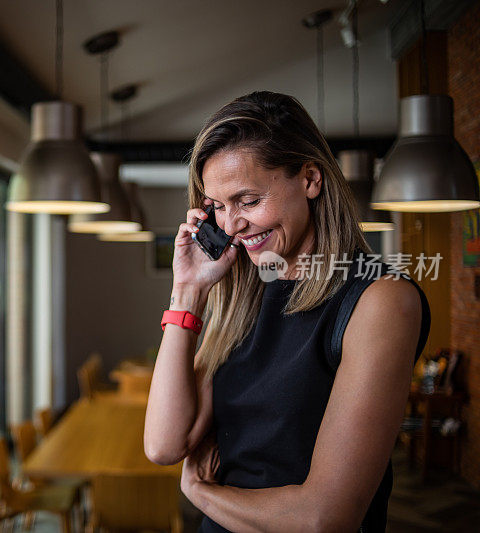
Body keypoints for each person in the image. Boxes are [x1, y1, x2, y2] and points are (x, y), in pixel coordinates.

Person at [143, 91, 430, 532]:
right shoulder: (244, 293)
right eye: (217, 207)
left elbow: (324, 519)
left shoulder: (381, 298)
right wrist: (186, 291)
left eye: (249, 200)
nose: (231, 225)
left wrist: (202, 492)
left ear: (310, 179)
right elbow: (164, 445)